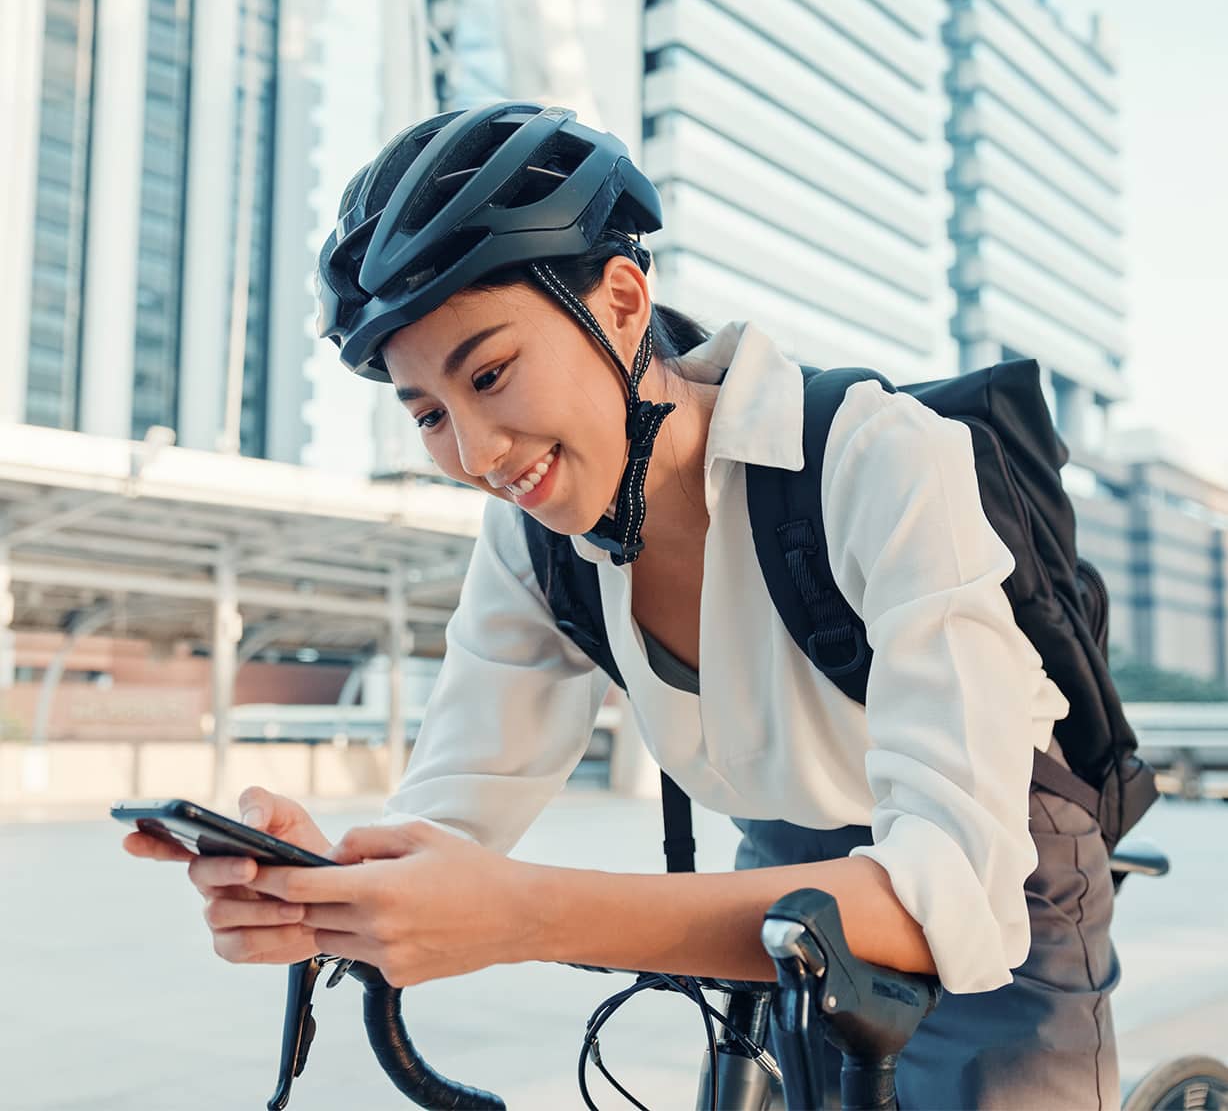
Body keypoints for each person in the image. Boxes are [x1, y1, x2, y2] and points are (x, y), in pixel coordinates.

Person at [123, 101, 1119, 1108]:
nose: (476, 456)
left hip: (1004, 857)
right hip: (785, 845)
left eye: (491, 373)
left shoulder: (878, 459)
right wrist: (335, 883)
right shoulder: (531, 541)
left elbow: (945, 898)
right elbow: (454, 810)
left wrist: (528, 915)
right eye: (428, 413)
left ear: (622, 301)